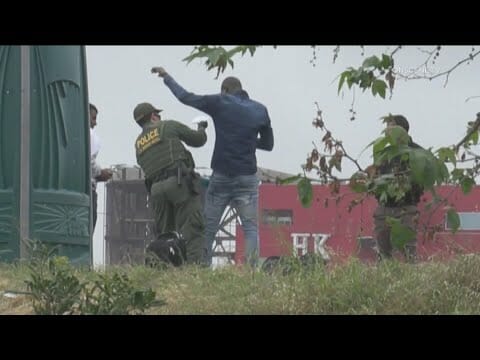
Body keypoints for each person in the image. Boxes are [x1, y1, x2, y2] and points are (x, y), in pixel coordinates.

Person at [151, 66, 274, 267]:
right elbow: (268, 145)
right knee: (251, 228)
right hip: (247, 177)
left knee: (208, 228)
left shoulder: (220, 102)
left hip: (222, 176)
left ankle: (203, 269)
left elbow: (186, 97)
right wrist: (249, 140)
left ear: (224, 90)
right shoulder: (260, 110)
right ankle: (252, 273)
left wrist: (167, 77)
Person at [133, 102, 207, 265]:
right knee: (193, 228)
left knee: (166, 236)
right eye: (157, 115)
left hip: (156, 190)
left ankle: (167, 270)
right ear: (153, 116)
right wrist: (202, 127)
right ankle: (195, 271)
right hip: (178, 183)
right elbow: (198, 140)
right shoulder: (168, 126)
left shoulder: (138, 145)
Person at [372, 114, 424, 262]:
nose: (387, 132)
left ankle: (412, 284)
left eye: (390, 127)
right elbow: (375, 178)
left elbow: (423, 180)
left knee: (409, 253)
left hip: (406, 208)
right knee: (383, 253)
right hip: (384, 208)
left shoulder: (418, 153)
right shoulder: (383, 154)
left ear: (402, 131)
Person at [89, 103, 112, 232]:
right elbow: (89, 161)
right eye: (93, 118)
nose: (95, 123)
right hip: (88, 192)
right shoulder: (89, 135)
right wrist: (101, 172)